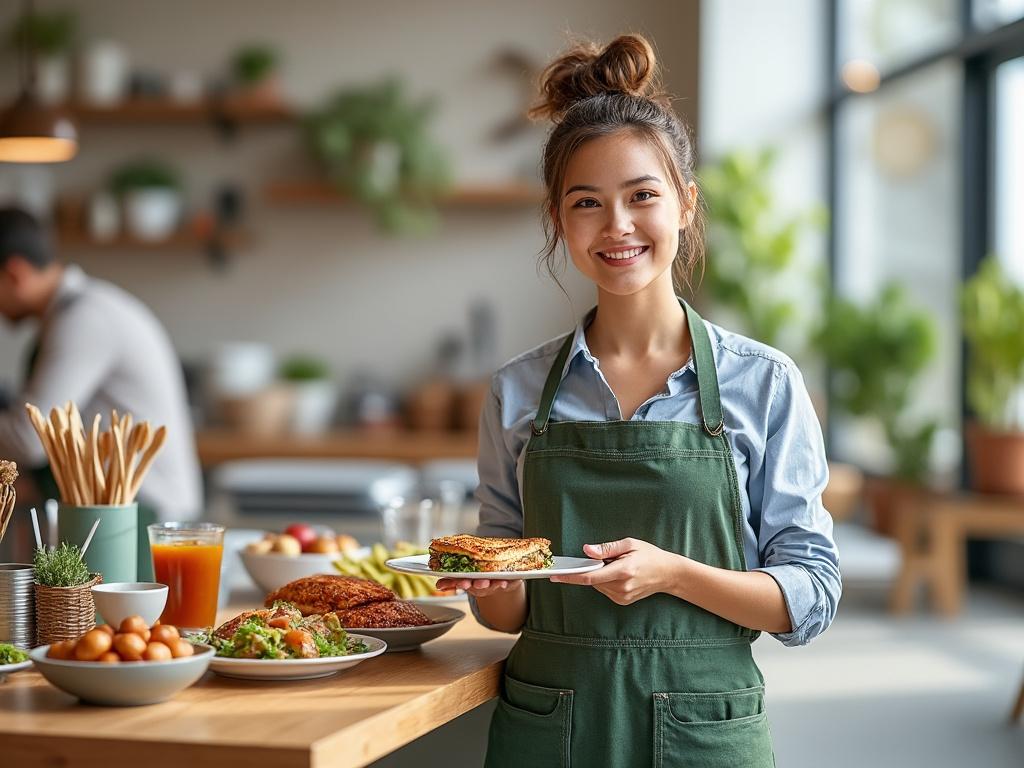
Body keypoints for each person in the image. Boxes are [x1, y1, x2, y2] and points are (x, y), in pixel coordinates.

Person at [436, 35, 841, 767]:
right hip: (548, 725)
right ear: (559, 220)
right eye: (587, 202)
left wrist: (672, 573)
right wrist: (492, 584)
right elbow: (506, 613)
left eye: (642, 196)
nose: (617, 226)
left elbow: (809, 595)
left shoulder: (764, 382)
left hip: (706, 729)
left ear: (685, 204)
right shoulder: (517, 391)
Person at [0, 207, 202, 535]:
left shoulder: (84, 319)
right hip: (113, 511)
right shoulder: (75, 313)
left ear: (15, 274)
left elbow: (28, 439)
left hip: (144, 518)